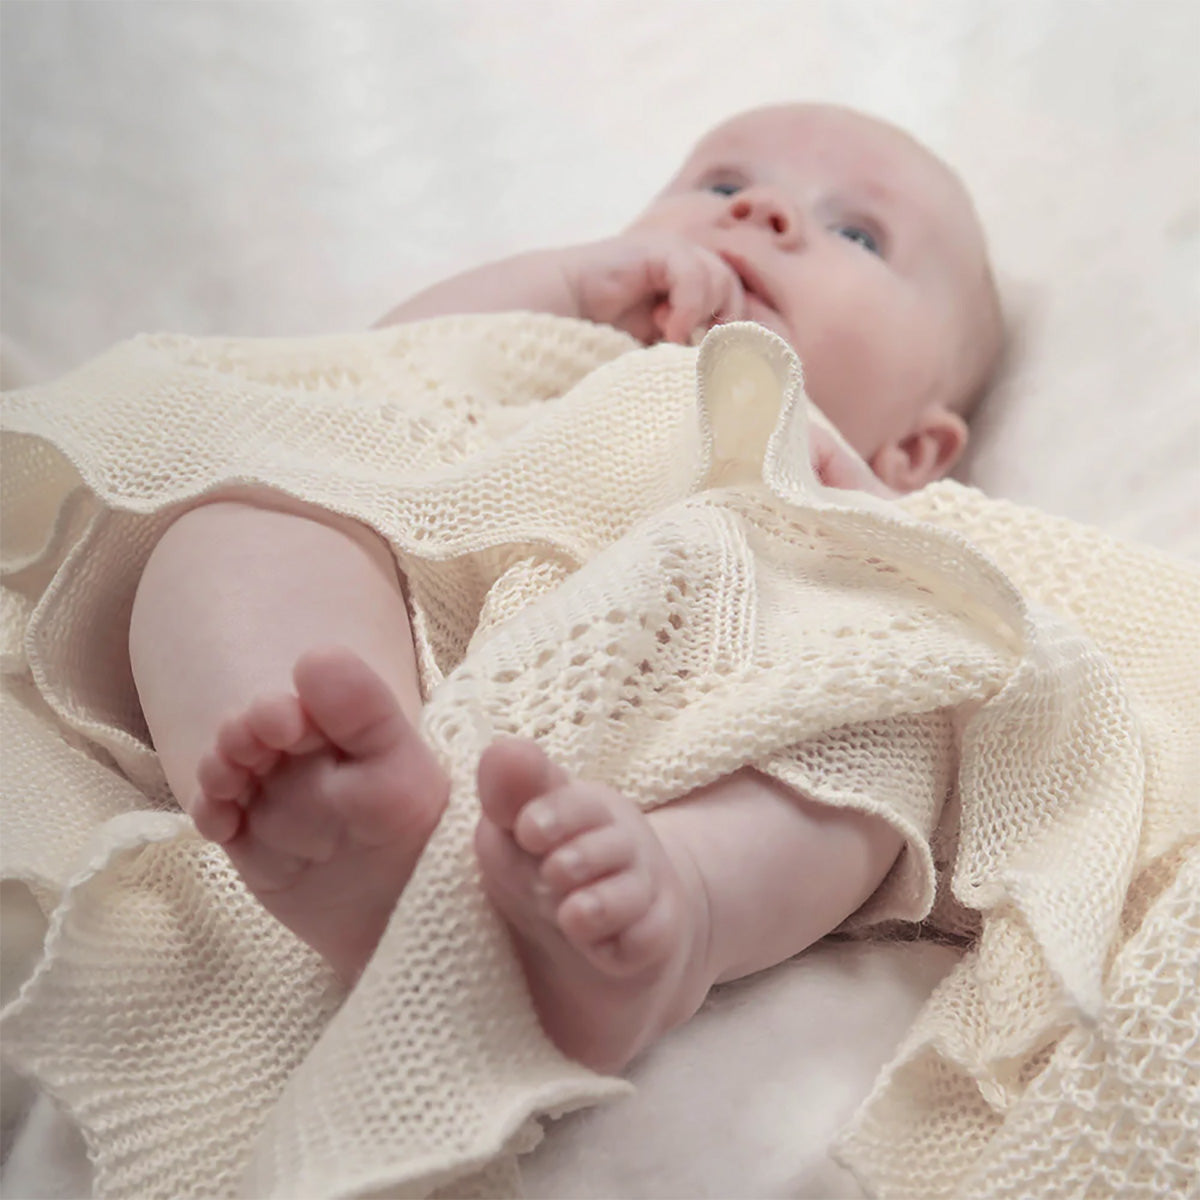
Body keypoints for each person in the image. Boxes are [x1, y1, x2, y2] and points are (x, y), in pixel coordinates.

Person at [127, 102, 1004, 1075]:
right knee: (253, 503)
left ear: (919, 448)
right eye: (720, 184)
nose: (762, 211)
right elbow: (367, 373)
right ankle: (316, 774)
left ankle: (678, 905)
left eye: (855, 232)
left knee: (889, 718)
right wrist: (571, 286)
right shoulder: (565, 353)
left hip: (683, 751)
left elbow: (985, 639)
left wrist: (879, 530)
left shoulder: (858, 497)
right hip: (415, 646)